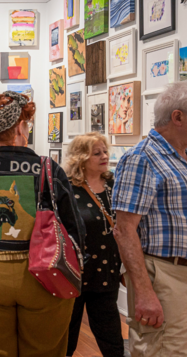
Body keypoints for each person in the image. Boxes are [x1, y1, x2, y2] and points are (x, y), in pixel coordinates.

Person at [0, 91, 85, 357]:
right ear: (21, 126)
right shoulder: (47, 168)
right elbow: (73, 226)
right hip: (43, 272)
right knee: (45, 350)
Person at [112, 82, 187, 357]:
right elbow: (125, 230)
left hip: (180, 274)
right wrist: (143, 292)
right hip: (163, 275)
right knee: (162, 350)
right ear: (177, 117)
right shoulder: (142, 158)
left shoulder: (181, 158)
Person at [63, 133, 124, 357]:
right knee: (66, 339)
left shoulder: (113, 185)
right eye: (96, 153)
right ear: (81, 157)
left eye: (105, 151)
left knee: (112, 340)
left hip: (107, 272)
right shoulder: (67, 189)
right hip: (74, 273)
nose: (104, 156)